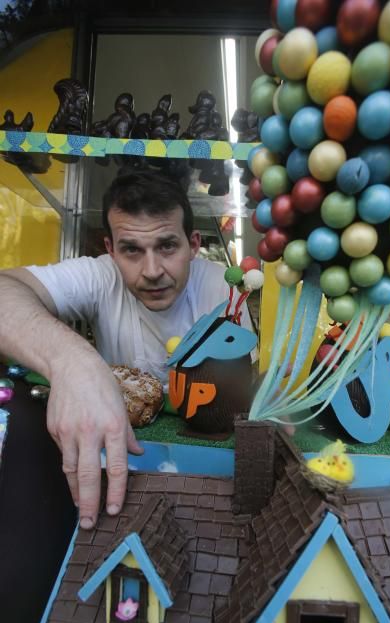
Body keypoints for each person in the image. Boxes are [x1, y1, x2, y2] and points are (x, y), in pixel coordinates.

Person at [0, 169, 252, 532]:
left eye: (167, 246)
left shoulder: (223, 293)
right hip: (112, 475)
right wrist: (71, 360)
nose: (151, 271)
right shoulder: (101, 276)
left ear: (193, 245)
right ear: (110, 250)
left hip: (204, 477)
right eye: (132, 249)